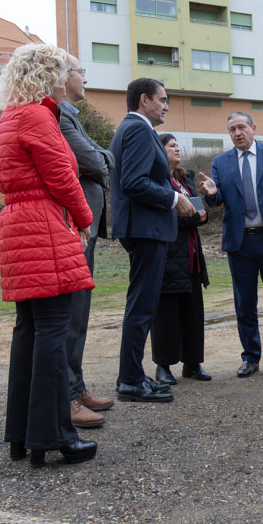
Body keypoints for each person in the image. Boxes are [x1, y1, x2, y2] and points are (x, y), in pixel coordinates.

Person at [0, 43, 98, 467]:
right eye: (60, 71)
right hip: (44, 227)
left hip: (17, 225)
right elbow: (62, 177)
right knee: (53, 331)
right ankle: (56, 437)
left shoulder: (9, 117)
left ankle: (23, 436)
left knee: (30, 332)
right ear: (46, 76)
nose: (64, 78)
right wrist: (84, 217)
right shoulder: (39, 115)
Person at [110, 78, 196, 403]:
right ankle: (130, 381)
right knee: (142, 307)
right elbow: (134, 181)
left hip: (145, 228)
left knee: (142, 306)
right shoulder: (138, 129)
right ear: (144, 100)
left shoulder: (134, 129)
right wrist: (175, 199)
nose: (166, 105)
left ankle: (131, 376)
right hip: (145, 229)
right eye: (162, 99)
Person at [197, 112, 263, 378]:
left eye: (242, 127)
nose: (237, 132)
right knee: (245, 303)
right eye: (232, 129)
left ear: (253, 128)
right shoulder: (221, 162)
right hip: (239, 244)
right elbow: (217, 201)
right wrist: (211, 192)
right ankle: (251, 357)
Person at [57, 54, 114, 429]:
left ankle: (75, 387)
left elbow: (100, 157)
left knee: (81, 311)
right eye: (81, 73)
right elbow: (95, 163)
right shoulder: (59, 118)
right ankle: (67, 396)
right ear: (64, 77)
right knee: (70, 314)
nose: (86, 80)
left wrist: (101, 156)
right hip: (72, 229)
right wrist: (101, 156)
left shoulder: (70, 117)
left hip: (84, 228)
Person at [151, 133, 212, 385]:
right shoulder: (155, 180)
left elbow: (194, 211)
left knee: (193, 312)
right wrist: (192, 218)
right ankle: (163, 366)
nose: (177, 148)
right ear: (158, 150)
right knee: (166, 313)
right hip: (168, 257)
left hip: (191, 256)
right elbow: (161, 217)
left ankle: (193, 363)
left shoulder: (183, 179)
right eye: (171, 145)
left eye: (178, 145)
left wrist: (202, 213)